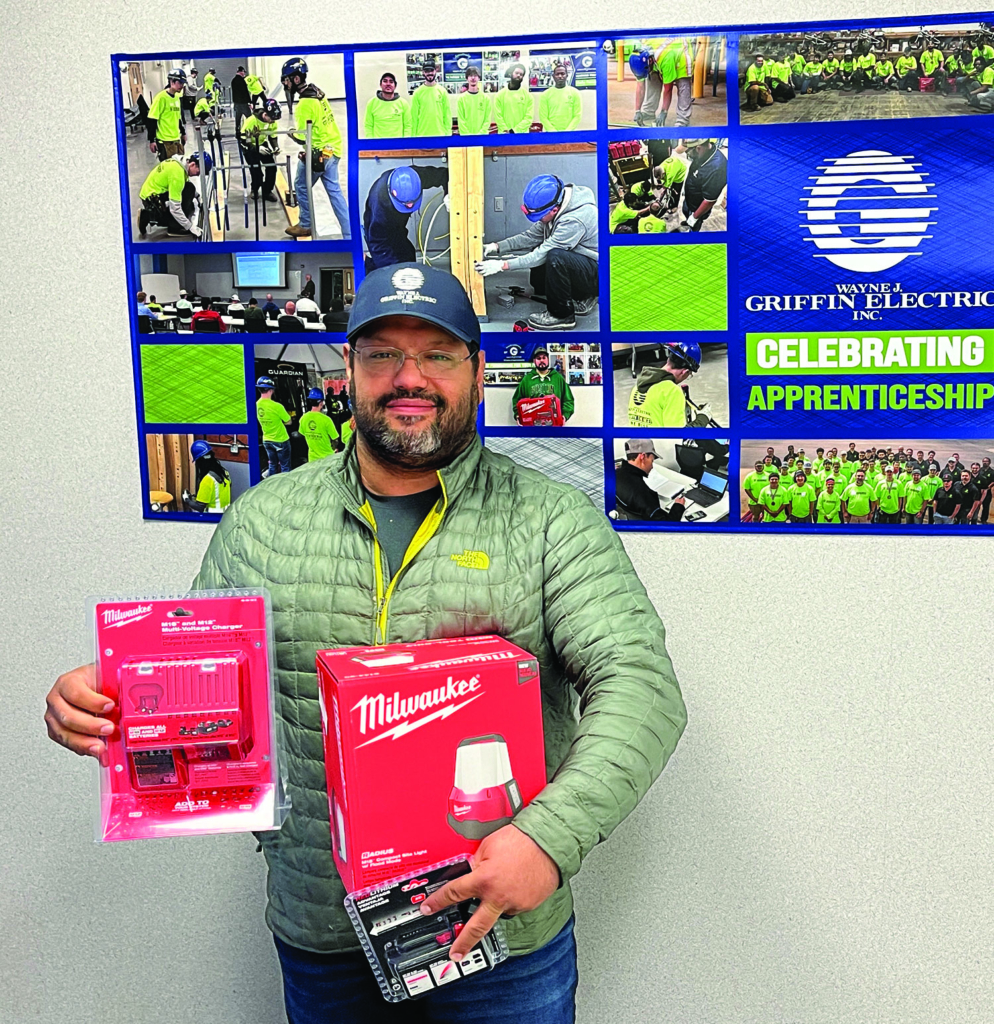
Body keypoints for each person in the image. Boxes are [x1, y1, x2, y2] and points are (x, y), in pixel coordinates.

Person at [46, 263, 686, 1024]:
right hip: (325, 935)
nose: (408, 377)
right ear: (347, 370)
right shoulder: (263, 519)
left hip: (499, 942)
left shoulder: (551, 521)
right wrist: (111, 700)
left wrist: (546, 842)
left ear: (478, 374)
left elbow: (641, 687)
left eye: (438, 354)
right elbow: (205, 686)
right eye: (382, 353)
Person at [476, 174, 598, 331]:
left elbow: (542, 253)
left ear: (554, 210)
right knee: (539, 285)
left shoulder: (575, 220)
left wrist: (502, 265)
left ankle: (563, 316)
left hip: (597, 272)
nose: (539, 220)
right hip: (580, 263)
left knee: (555, 256)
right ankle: (581, 295)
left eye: (540, 217)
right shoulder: (557, 203)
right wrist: (495, 246)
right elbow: (530, 237)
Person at [281, 58, 352, 240]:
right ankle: (350, 234)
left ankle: (305, 225)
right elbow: (317, 127)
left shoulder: (304, 104)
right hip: (333, 148)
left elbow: (303, 135)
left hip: (320, 154)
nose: (285, 84)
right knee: (335, 194)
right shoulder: (317, 93)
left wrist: (291, 133)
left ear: (296, 79)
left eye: (287, 79)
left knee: (301, 185)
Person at [362, 164, 449, 270]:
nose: (410, 206)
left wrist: (448, 195)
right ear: (393, 193)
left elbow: (445, 175)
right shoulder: (380, 202)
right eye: (406, 204)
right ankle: (365, 264)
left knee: (407, 255)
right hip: (379, 234)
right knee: (387, 268)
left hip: (398, 226)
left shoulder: (416, 178)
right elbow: (379, 244)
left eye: (412, 202)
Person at [627, 341, 709, 428]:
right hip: (658, 442)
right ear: (685, 371)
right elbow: (678, 437)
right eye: (689, 375)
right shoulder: (672, 392)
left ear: (668, 359)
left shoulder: (637, 387)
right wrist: (702, 419)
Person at [137, 152, 209, 239]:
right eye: (198, 172)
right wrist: (190, 227)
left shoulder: (179, 165)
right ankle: (149, 217)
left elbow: (185, 184)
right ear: (193, 164)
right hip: (152, 199)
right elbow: (175, 208)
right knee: (181, 209)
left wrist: (198, 196)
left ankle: (165, 217)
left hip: (152, 193)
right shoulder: (177, 175)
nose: (197, 175)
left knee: (189, 190)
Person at [615, 440, 686, 521]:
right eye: (651, 461)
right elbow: (668, 525)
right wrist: (678, 506)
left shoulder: (615, 475)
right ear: (643, 457)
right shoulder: (642, 494)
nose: (652, 467)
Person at [510, 346, 574, 422]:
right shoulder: (527, 379)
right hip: (532, 425)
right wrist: (518, 416)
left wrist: (564, 416)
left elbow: (568, 400)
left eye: (544, 358)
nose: (542, 360)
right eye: (538, 358)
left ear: (548, 359)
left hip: (553, 424)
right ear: (534, 361)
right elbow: (516, 400)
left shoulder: (558, 378)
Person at [239, 98, 282, 202]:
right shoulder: (251, 121)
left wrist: (275, 147)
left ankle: (267, 191)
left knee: (272, 168)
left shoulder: (272, 121)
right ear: (265, 114)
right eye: (271, 118)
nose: (272, 121)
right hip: (249, 146)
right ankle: (255, 189)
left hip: (262, 143)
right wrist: (256, 148)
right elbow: (245, 140)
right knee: (256, 171)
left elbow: (272, 136)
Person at [679, 139, 727, 232]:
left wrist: (694, 217)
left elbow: (709, 200)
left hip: (697, 207)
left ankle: (692, 234)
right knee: (686, 213)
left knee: (694, 226)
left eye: (688, 152)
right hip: (690, 199)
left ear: (698, 148)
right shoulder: (702, 155)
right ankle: (688, 221)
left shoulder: (717, 169)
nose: (687, 155)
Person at [146, 68, 188, 161]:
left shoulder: (177, 98)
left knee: (179, 166)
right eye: (180, 83)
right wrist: (152, 140)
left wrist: (183, 133)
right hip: (164, 141)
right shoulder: (161, 98)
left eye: (183, 83)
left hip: (176, 140)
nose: (182, 86)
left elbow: (178, 118)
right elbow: (152, 119)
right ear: (172, 81)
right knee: (168, 168)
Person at [256, 375, 292, 476]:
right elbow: (289, 421)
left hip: (267, 440)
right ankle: (286, 488)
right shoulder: (277, 406)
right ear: (271, 390)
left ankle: (272, 486)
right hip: (281, 440)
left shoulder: (256, 405)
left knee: (272, 465)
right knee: (285, 467)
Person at [185, 440, 232, 513]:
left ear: (200, 462)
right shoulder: (225, 473)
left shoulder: (207, 480)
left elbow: (200, 507)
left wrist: (187, 500)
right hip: (227, 515)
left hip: (212, 517)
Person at [363, 72, 412, 138]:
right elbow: (368, 126)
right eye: (385, 81)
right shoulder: (371, 103)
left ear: (395, 86)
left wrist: (405, 143)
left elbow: (408, 126)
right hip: (378, 146)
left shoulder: (403, 104)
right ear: (380, 84)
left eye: (391, 82)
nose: (388, 84)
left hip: (398, 146)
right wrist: (372, 144)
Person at [410, 58, 452, 136]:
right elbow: (413, 118)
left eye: (431, 71)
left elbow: (447, 116)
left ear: (435, 71)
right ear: (423, 72)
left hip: (440, 136)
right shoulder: (417, 93)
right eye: (427, 71)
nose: (429, 73)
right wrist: (413, 138)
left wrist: (448, 135)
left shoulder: (442, 91)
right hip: (422, 136)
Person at [297, 388, 340, 461]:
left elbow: (302, 435)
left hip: (312, 459)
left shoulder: (303, 418)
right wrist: (334, 448)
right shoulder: (326, 420)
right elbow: (335, 439)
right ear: (321, 402)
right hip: (327, 458)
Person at [539, 62, 582, 132]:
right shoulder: (545, 94)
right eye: (557, 74)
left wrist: (567, 132)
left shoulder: (575, 93)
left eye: (562, 74)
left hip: (569, 135)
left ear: (567, 75)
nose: (560, 76)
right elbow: (543, 117)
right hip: (551, 135)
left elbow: (577, 116)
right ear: (553, 76)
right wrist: (554, 133)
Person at [494, 62, 533, 133]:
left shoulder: (528, 96)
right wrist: (505, 130)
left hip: (522, 136)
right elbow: (498, 116)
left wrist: (514, 131)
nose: (518, 75)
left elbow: (529, 118)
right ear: (511, 73)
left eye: (521, 74)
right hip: (504, 135)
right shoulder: (500, 95)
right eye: (516, 73)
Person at [457, 65, 492, 135]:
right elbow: (461, 121)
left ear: (479, 78)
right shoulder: (461, 99)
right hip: (466, 139)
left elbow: (487, 120)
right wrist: (468, 137)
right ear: (467, 78)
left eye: (475, 75)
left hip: (482, 138)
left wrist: (480, 136)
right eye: (470, 75)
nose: (473, 78)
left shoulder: (486, 99)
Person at [230, 66, 253, 137]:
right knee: (250, 118)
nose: (244, 74)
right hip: (243, 103)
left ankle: (237, 131)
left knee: (238, 119)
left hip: (237, 103)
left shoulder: (233, 80)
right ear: (241, 72)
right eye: (243, 72)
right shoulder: (242, 81)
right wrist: (250, 102)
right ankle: (251, 130)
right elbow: (245, 92)